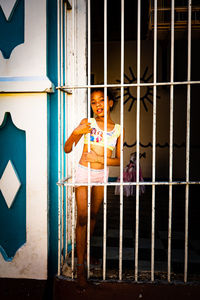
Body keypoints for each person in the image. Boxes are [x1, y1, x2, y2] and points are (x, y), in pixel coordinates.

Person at [64, 88, 124, 288]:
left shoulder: (117, 129)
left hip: (101, 175)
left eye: (101, 100)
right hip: (83, 172)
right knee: (82, 217)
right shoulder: (87, 123)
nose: (97, 105)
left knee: (93, 215)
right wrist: (75, 133)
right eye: (93, 102)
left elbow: (118, 160)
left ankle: (85, 251)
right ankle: (80, 269)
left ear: (110, 103)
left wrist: (99, 158)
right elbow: (67, 148)